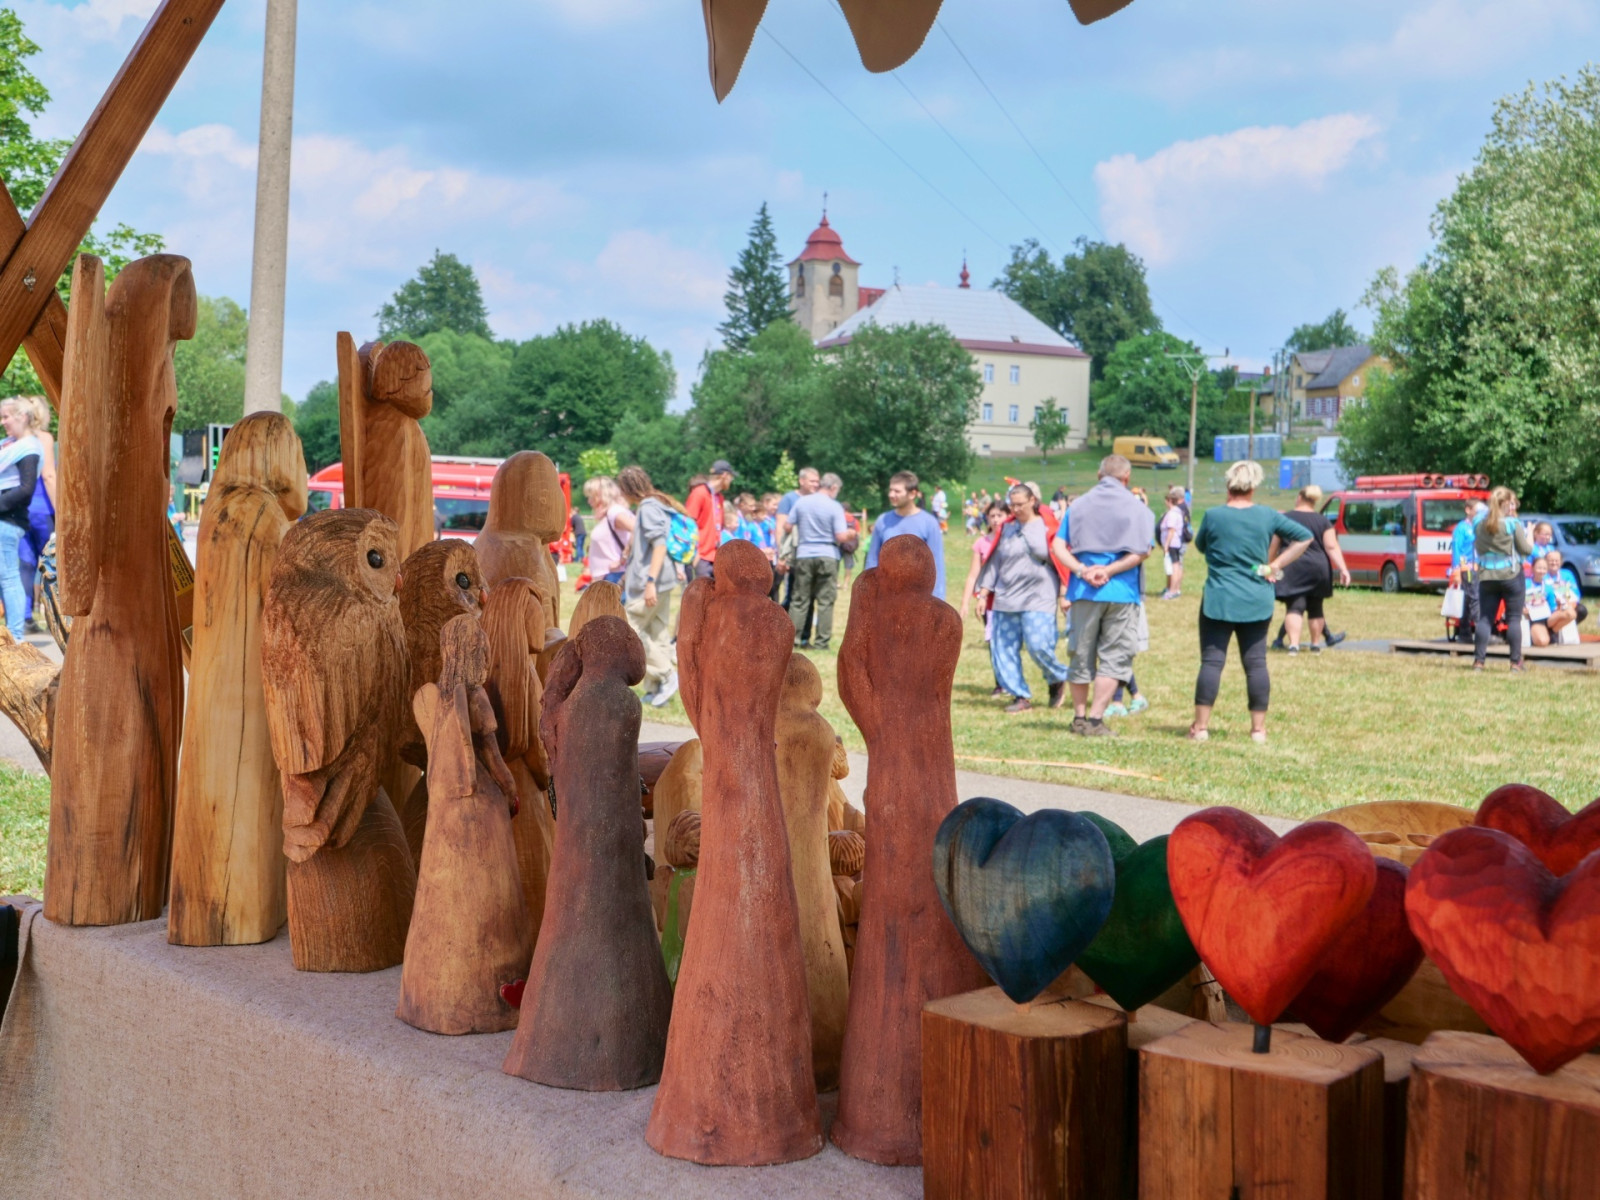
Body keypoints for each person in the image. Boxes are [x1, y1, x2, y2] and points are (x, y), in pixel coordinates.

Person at [1189, 460, 1313, 743]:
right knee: (1256, 663)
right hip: (1256, 597)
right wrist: (1275, 565)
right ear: (1253, 487)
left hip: (1219, 599)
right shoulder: (1267, 515)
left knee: (1211, 662)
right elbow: (1304, 537)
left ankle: (1201, 727)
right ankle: (1258, 730)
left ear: (1228, 484)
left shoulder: (1213, 515)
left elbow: (1201, 546)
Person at [1050, 455, 1153, 736]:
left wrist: (1082, 570)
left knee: (1080, 653)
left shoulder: (1078, 505)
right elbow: (1143, 550)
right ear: (1127, 477)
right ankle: (1096, 720)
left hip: (1083, 591)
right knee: (1114, 656)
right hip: (1122, 591)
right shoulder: (1138, 508)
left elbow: (1058, 546)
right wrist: (1109, 570)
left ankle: (1079, 718)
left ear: (1099, 475)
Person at [976, 484, 1069, 713]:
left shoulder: (1049, 526)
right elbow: (994, 562)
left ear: (1032, 501)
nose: (1015, 509)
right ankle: (1020, 696)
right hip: (1006, 597)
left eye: (1020, 504)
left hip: (1040, 596)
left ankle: (1057, 677)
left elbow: (1062, 560)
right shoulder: (1006, 529)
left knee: (1039, 645)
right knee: (1003, 649)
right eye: (1012, 505)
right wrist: (983, 593)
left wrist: (1064, 591)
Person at [617, 465, 687, 706]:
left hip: (653, 580)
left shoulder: (648, 507)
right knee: (657, 632)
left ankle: (666, 674)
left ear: (628, 488)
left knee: (629, 629)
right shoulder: (657, 503)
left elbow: (660, 545)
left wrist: (650, 583)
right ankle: (658, 690)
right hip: (664, 579)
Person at [1270, 485, 1352, 653]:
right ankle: (1315, 645)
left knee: (1295, 606)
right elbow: (1331, 547)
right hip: (1318, 567)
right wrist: (1343, 568)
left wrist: (1270, 565)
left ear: (1299, 497)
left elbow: (1274, 546)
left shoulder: (1284, 519)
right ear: (1315, 501)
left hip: (1293, 566)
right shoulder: (1323, 521)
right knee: (1316, 607)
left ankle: (1294, 645)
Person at [789, 472, 853, 650]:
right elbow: (840, 536)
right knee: (825, 600)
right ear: (833, 487)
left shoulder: (802, 502)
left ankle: (793, 640)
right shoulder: (835, 506)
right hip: (827, 554)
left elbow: (788, 524)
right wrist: (851, 534)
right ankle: (821, 642)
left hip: (804, 553)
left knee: (800, 599)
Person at [1474, 485, 1534, 672]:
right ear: (1506, 503)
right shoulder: (1512, 524)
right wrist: (1530, 534)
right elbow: (1526, 550)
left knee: (1485, 619)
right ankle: (1515, 663)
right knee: (1514, 619)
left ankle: (1479, 662)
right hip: (1511, 576)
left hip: (1486, 576)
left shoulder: (1478, 523)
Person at [865, 471, 946, 599]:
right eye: (890, 490)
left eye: (897, 491)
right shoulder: (883, 521)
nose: (891, 495)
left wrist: (937, 601)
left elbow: (936, 566)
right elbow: (872, 560)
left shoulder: (929, 523)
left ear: (912, 494)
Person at [0, 398, 42, 640]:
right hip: (5, 519)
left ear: (22, 417)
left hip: (8, 521)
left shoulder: (29, 448)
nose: (3, 422)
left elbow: (26, 489)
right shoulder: (10, 445)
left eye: (6, 416)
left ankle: (15, 638)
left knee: (8, 577)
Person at [959, 499, 1009, 697]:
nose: (996, 520)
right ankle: (1000, 683)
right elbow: (973, 575)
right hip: (989, 601)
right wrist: (965, 603)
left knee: (1009, 642)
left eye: (1000, 515)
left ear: (1008, 517)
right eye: (992, 516)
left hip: (1012, 599)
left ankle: (1012, 683)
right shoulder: (981, 543)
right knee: (994, 642)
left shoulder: (1013, 541)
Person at [14, 395, 54, 631]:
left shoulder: (15, 440)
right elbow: (48, 475)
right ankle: (58, 616)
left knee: (25, 564)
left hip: (20, 510)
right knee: (53, 562)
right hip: (42, 510)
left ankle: (25, 617)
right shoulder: (43, 438)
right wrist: (61, 510)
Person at [683, 459, 735, 579]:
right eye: (730, 478)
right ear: (724, 476)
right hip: (700, 555)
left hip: (715, 555)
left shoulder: (719, 497)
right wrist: (694, 552)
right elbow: (688, 523)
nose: (731, 481)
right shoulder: (699, 493)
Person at [583, 476, 634, 585]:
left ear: (601, 495)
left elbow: (637, 530)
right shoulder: (610, 514)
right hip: (610, 576)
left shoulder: (614, 512)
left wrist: (623, 558)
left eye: (591, 496)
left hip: (616, 575)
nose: (589, 501)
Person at [1449, 501, 1485, 644]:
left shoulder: (1480, 527)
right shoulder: (1462, 528)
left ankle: (1465, 633)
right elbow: (1456, 548)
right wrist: (1456, 569)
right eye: (1477, 510)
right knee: (1474, 599)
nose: (1479, 514)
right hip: (1467, 569)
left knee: (1470, 600)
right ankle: (1481, 633)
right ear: (1468, 510)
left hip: (1480, 568)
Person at [1158, 485, 1188, 599]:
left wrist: (1166, 544)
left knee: (1174, 566)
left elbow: (1171, 530)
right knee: (1174, 565)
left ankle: (1172, 590)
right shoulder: (1177, 512)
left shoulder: (1172, 514)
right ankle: (1173, 589)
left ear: (1170, 501)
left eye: (1166, 501)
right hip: (1174, 543)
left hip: (1172, 544)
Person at [1547, 551, 1586, 635]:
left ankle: (1558, 630)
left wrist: (1570, 604)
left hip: (1566, 604)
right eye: (1551, 560)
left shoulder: (1567, 574)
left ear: (1561, 562)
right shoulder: (1542, 574)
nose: (1554, 563)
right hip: (1549, 605)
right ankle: (1550, 631)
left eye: (1556, 560)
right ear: (1545, 561)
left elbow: (1575, 593)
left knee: (1581, 610)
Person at [1525, 556, 1561, 647]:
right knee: (1542, 642)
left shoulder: (1548, 587)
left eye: (1544, 568)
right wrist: (1523, 609)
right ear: (1532, 568)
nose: (1542, 571)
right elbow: (1517, 601)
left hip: (1546, 618)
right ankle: (1535, 634)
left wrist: (1559, 606)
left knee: (1570, 613)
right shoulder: (1525, 583)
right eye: (1539, 568)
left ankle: (1550, 633)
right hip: (1531, 618)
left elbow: (1553, 607)